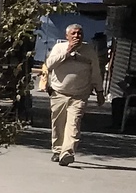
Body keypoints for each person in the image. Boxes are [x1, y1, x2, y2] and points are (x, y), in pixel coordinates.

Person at [41, 22, 105, 165]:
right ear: (67, 36)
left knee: (74, 124)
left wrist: (100, 91)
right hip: (59, 92)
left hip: (79, 95)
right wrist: (68, 51)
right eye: (73, 33)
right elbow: (49, 64)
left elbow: (96, 72)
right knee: (58, 123)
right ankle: (57, 150)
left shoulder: (89, 51)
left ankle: (67, 153)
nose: (77, 36)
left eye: (79, 33)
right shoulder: (59, 48)